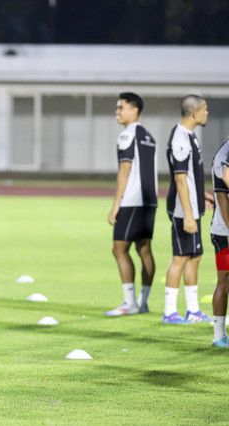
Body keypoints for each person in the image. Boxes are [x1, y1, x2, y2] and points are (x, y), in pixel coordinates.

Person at [105, 93, 157, 316]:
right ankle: (142, 302)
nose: (117, 112)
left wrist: (116, 203)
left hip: (132, 201)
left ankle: (129, 303)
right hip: (149, 201)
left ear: (134, 110)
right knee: (144, 249)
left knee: (119, 249)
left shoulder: (127, 135)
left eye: (121, 107)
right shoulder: (148, 136)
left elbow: (125, 169)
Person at [164, 94, 211, 324]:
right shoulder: (180, 139)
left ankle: (193, 310)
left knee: (195, 257)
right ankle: (170, 312)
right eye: (205, 109)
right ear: (195, 112)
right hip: (184, 211)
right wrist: (189, 215)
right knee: (180, 258)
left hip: (192, 207)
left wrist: (202, 197)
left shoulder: (190, 136)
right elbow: (180, 180)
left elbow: (190, 178)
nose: (207, 113)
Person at [209, 136, 229, 346]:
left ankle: (219, 335)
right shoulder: (225, 154)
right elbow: (222, 196)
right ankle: (219, 336)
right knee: (224, 280)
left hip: (223, 229)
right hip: (224, 232)